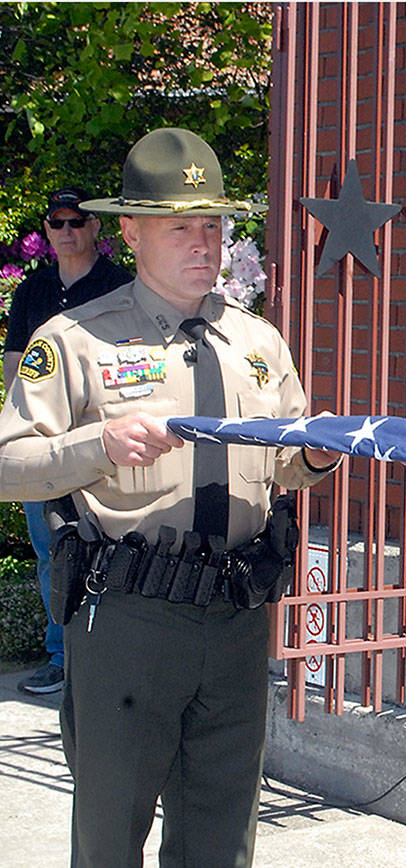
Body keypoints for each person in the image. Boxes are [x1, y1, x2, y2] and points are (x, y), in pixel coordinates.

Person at [0, 128, 339, 866]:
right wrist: (94, 447)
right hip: (130, 618)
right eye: (180, 225)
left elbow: (282, 463)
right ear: (130, 229)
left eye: (213, 225)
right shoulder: (76, 339)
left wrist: (312, 456)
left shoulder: (258, 343)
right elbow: (9, 464)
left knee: (223, 833)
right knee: (111, 829)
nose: (203, 243)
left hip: (238, 614)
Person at [3, 188, 133, 695]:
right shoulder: (32, 289)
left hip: (107, 441)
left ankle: (106, 656)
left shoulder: (118, 286)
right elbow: (17, 364)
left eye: (76, 221)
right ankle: (61, 658)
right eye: (56, 223)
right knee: (51, 551)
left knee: (114, 548)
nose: (66, 231)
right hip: (49, 444)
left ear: (96, 228)